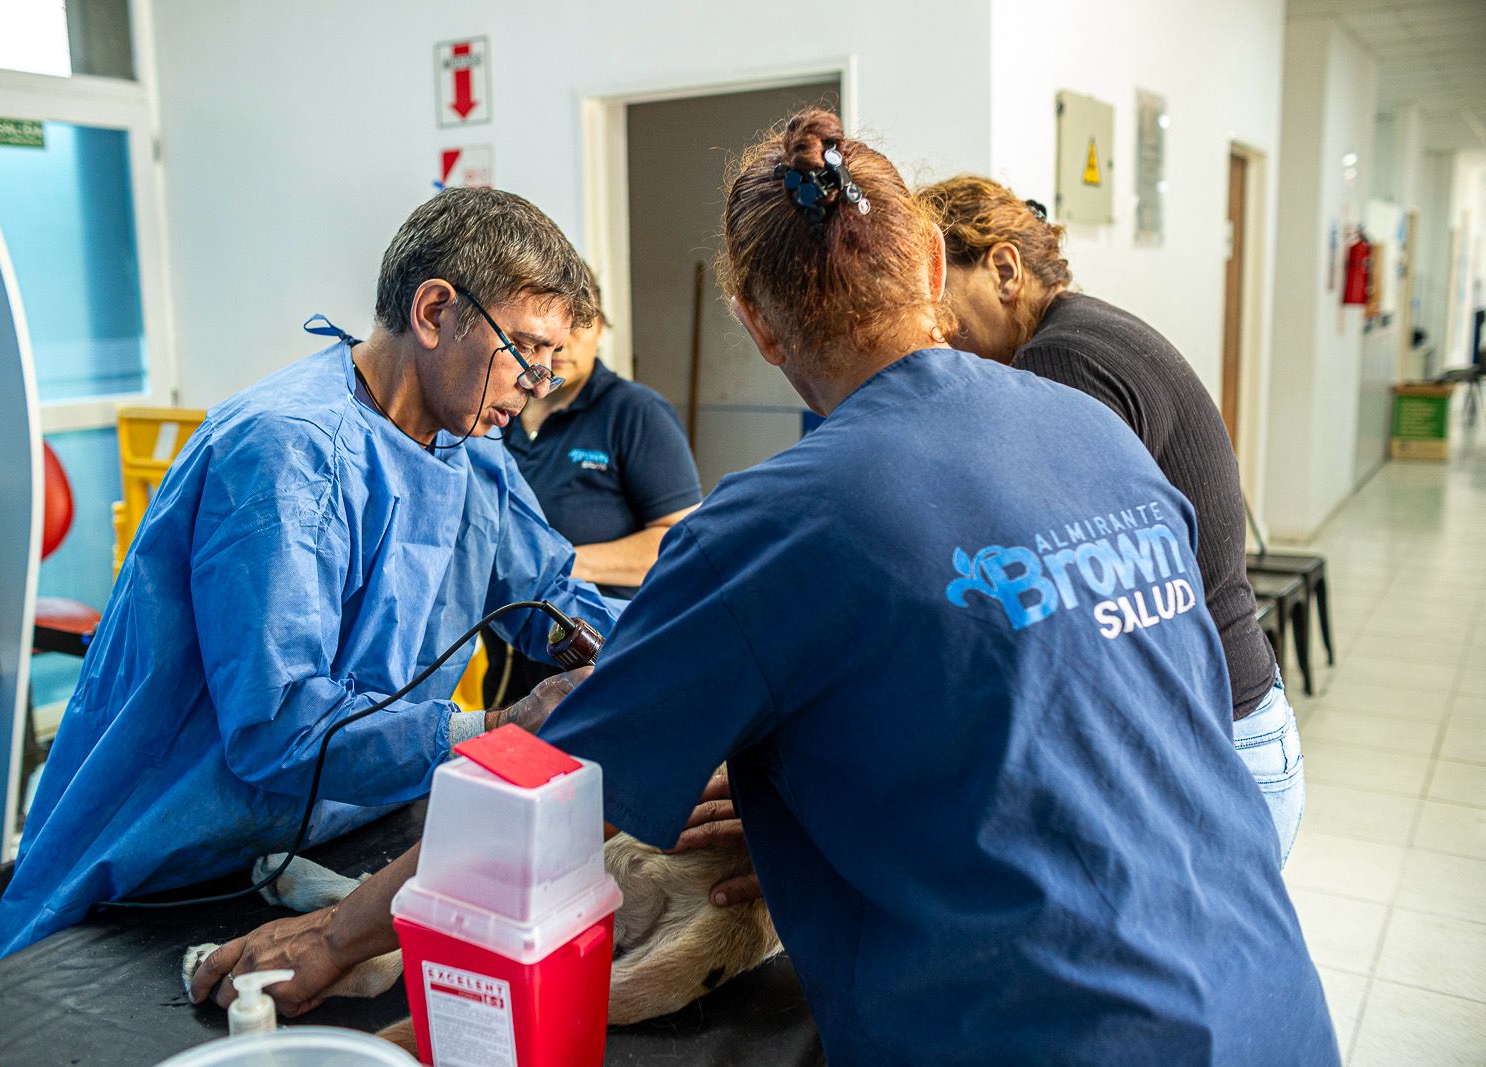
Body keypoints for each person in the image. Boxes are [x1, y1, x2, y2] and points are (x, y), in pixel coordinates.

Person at [191, 111, 1336, 1064]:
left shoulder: (783, 517)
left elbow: (537, 791)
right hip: (1271, 1001)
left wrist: (339, 939)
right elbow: (1106, 714)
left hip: (1036, 1031)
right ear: (930, 270)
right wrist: (819, 786)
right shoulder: (1100, 437)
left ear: (750, 321)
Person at [0, 188, 619, 959]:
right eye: (526, 350)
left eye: (552, 365)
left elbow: (547, 596)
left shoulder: (470, 447)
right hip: (169, 872)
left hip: (344, 826)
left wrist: (646, 650)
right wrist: (495, 729)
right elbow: (278, 728)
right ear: (432, 313)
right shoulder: (287, 452)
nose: (534, 385)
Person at [916, 174, 1304, 862]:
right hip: (1244, 721)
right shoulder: (1091, 329)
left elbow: (1062, 595)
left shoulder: (1057, 361)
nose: (942, 338)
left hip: (1217, 745)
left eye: (943, 306)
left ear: (1005, 269)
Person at [482, 262, 701, 705]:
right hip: (510, 653)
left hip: (594, 650)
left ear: (600, 327)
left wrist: (550, 567)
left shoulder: (636, 414)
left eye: (577, 324)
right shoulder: (495, 413)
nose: (559, 346)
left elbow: (680, 547)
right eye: (541, 332)